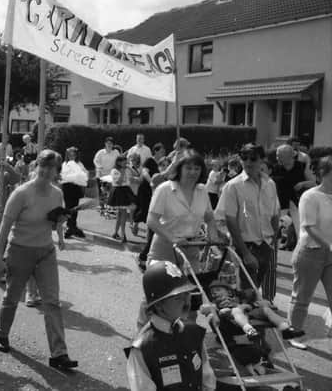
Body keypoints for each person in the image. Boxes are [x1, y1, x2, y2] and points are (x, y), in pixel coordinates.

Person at [0, 149, 78, 371]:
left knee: (52, 302)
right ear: (36, 166)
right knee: (12, 297)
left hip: (45, 252)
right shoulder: (21, 193)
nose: (48, 171)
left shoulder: (57, 193)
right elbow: (4, 228)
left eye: (52, 168)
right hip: (20, 251)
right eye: (44, 166)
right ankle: (2, 333)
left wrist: (59, 232)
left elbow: (56, 218)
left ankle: (59, 354)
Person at [126, 261, 216, 391]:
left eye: (187, 294)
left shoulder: (194, 333)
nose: (186, 301)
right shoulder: (142, 349)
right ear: (159, 305)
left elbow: (206, 376)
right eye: (177, 297)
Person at [216, 144, 280, 291]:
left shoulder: (270, 184)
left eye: (253, 158)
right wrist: (245, 252)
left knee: (255, 291)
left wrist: (271, 242)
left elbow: (275, 213)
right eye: (244, 158)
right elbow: (228, 220)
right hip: (245, 245)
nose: (248, 162)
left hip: (265, 244)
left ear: (262, 160)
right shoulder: (233, 186)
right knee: (246, 294)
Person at [288, 156, 332, 350]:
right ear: (323, 173)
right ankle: (294, 333)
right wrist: (330, 244)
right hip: (310, 252)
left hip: (330, 253)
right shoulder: (310, 196)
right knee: (302, 297)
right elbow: (309, 226)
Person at [147, 151, 221, 265]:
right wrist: (173, 238)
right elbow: (152, 221)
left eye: (197, 168)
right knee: (164, 281)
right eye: (188, 168)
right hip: (165, 249)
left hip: (191, 249)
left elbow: (209, 218)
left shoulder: (202, 191)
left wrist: (214, 236)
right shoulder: (165, 189)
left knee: (193, 282)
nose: (193, 172)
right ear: (180, 169)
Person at [209, 280, 304, 341]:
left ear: (229, 292)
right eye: (212, 292)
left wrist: (246, 305)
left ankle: (285, 329)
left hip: (248, 312)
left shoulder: (237, 297)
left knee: (266, 309)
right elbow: (212, 309)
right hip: (231, 317)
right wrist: (218, 310)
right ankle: (249, 330)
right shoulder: (215, 303)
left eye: (218, 290)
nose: (215, 293)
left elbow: (250, 299)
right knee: (236, 311)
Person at [272, 144, 316, 234]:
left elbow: (313, 183)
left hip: (297, 203)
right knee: (277, 230)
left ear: (289, 156)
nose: (277, 158)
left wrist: (302, 184)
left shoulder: (302, 167)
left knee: (300, 230)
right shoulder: (275, 168)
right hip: (281, 205)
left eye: (279, 156)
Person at [60, 147, 88, 239]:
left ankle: (72, 226)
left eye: (73, 154)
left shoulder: (79, 164)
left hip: (76, 187)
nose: (72, 156)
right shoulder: (65, 164)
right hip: (67, 187)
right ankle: (70, 226)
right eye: (70, 154)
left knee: (75, 208)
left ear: (76, 155)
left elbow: (84, 174)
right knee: (68, 207)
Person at [93, 137, 120, 211]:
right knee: (101, 192)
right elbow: (96, 161)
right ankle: (102, 207)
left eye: (110, 143)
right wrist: (99, 167)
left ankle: (111, 206)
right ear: (105, 144)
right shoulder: (100, 152)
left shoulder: (116, 152)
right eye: (107, 143)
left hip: (112, 176)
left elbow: (119, 161)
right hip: (101, 175)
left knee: (111, 191)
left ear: (113, 144)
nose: (109, 145)